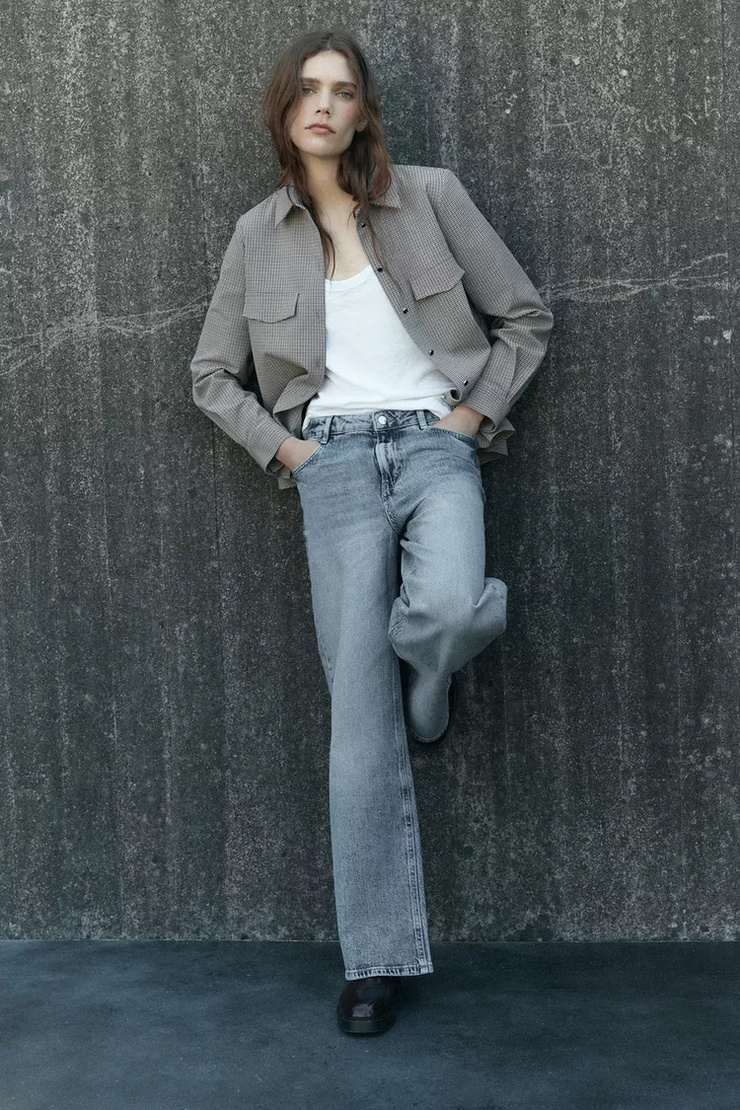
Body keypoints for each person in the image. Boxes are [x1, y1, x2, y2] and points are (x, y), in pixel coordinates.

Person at [189, 27, 554, 1035]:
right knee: (358, 722)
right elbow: (210, 375)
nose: (324, 105)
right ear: (285, 110)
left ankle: (430, 676)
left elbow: (524, 316)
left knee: (452, 608)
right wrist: (291, 452)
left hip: (436, 447)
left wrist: (469, 420)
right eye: (307, 90)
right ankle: (376, 962)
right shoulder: (256, 235)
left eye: (342, 91)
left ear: (362, 111)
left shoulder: (429, 197)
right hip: (335, 467)